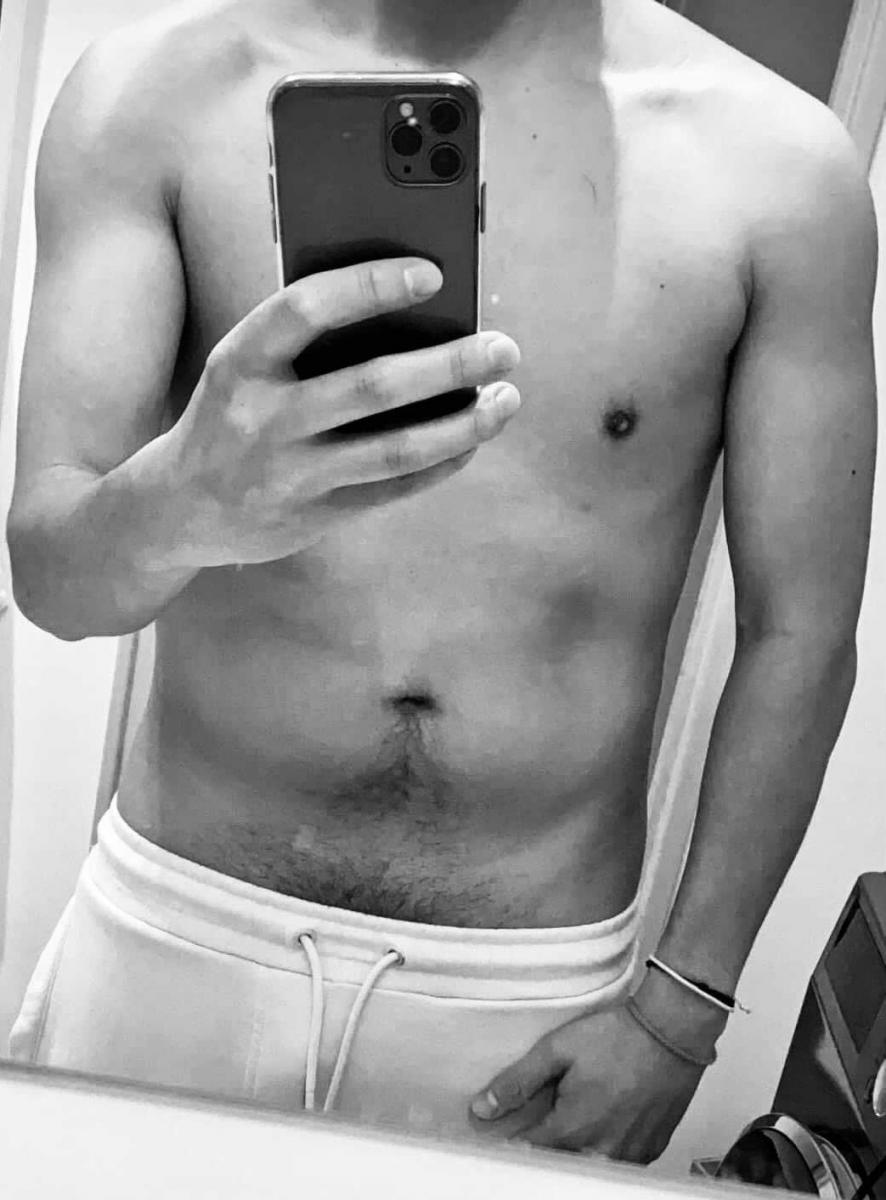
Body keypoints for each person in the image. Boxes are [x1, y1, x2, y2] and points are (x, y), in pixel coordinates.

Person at [5, 0, 877, 1163]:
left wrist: (680, 1013)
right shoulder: (149, 93)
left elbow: (799, 634)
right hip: (177, 935)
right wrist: (182, 501)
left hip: (524, 1001)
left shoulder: (778, 167)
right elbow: (55, 583)